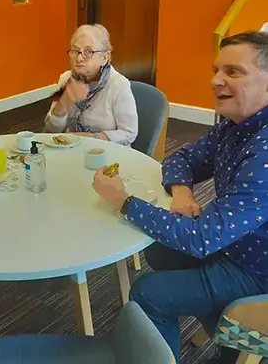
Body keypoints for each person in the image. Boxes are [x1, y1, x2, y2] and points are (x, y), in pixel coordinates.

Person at [93, 31, 268, 364]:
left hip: (256, 271)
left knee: (147, 294)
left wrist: (124, 202)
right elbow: (182, 159)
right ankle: (229, 337)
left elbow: (201, 238)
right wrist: (182, 191)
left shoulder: (263, 152)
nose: (215, 80)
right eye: (217, 70)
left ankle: (237, 336)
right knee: (160, 250)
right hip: (234, 244)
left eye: (233, 72)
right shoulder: (235, 125)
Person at [44, 24, 138, 146]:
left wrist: (93, 138)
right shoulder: (66, 79)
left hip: (109, 150)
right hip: (73, 147)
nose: (79, 58)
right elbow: (50, 131)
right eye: (75, 51)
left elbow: (129, 133)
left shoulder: (119, 85)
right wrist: (62, 106)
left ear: (105, 57)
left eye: (88, 52)